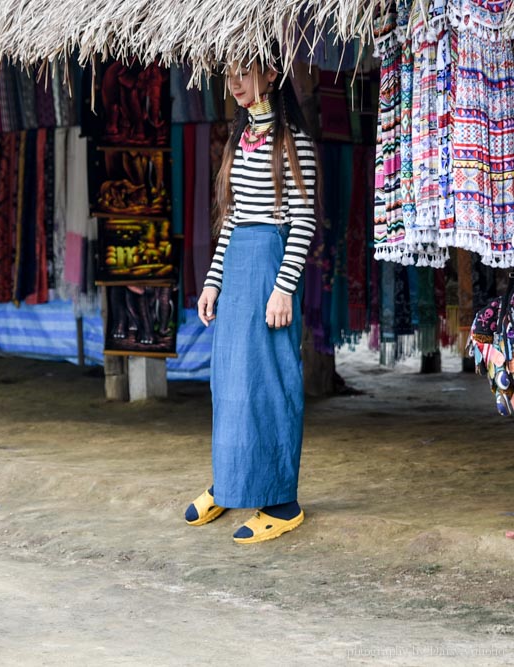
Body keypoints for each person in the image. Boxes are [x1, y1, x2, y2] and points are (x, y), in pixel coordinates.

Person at [187, 51, 318, 544]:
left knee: (268, 381)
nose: (236, 82)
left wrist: (284, 288)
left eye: (246, 71)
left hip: (269, 264)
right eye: (230, 73)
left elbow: (303, 221)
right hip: (239, 262)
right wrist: (212, 281)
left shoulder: (294, 143)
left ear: (273, 74)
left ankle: (281, 502)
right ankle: (230, 482)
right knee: (229, 381)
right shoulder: (242, 140)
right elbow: (234, 219)